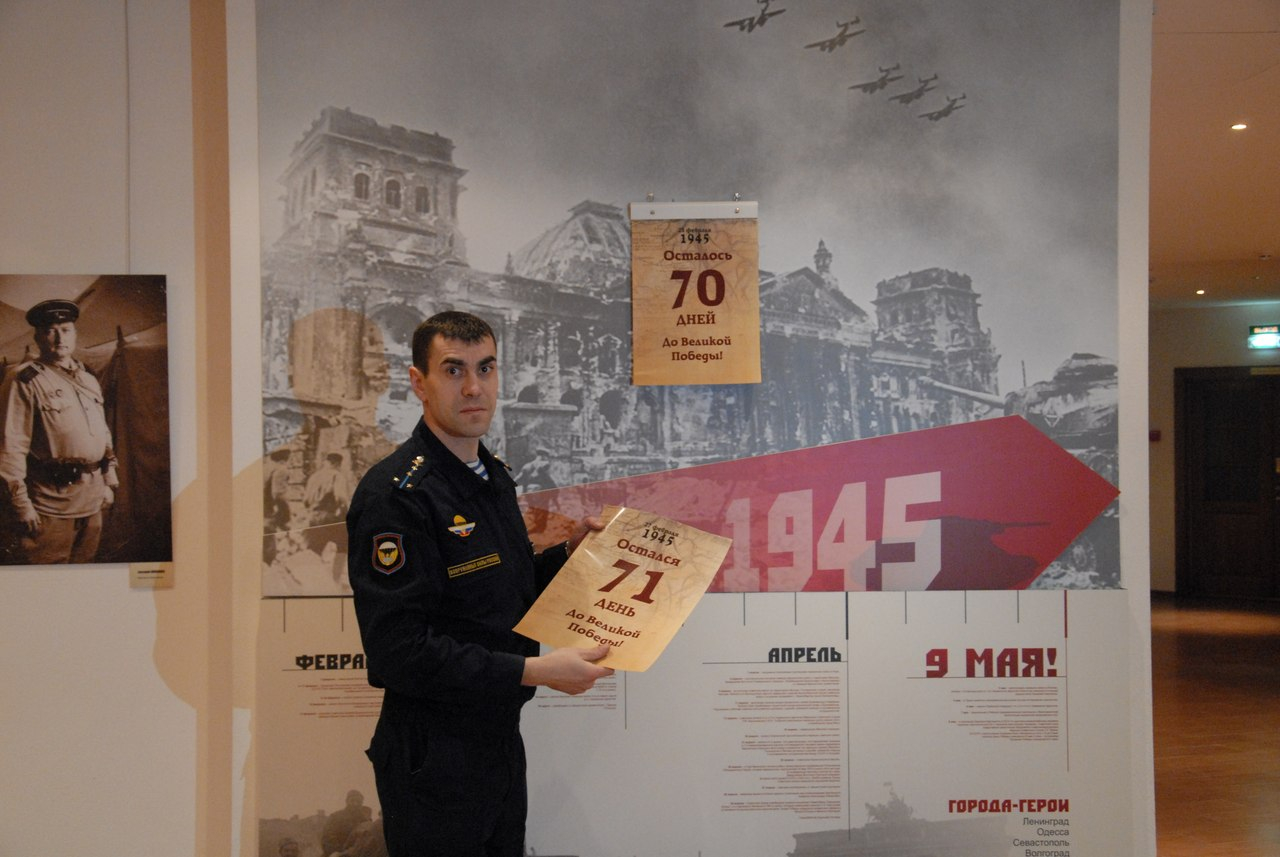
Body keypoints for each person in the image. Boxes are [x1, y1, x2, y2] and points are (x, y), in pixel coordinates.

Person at [346, 311, 613, 857]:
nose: (474, 387)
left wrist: (567, 556)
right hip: (433, 756)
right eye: (453, 370)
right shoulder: (396, 495)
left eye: (485, 368)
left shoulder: (491, 477)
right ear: (418, 382)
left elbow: (501, 592)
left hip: (497, 740)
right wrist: (533, 671)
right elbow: (398, 652)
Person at [0, 298, 118, 564]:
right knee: (47, 578)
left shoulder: (88, 378)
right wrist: (21, 505)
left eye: (65, 330)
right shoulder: (24, 379)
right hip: (50, 503)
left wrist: (108, 479)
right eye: (50, 330)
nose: (59, 337)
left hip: (92, 499)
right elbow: (11, 446)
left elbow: (103, 434)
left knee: (82, 574)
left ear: (75, 334)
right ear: (38, 337)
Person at [322, 789, 373, 856]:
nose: (355, 804)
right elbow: (327, 837)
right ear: (347, 801)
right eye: (352, 800)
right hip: (338, 853)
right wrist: (336, 852)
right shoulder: (336, 817)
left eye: (358, 801)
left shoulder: (365, 820)